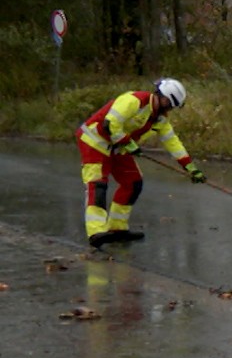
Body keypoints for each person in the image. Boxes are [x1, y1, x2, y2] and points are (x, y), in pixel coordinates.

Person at [76, 78, 205, 248]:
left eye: (172, 107)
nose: (169, 109)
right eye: (169, 104)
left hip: (117, 146)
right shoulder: (135, 101)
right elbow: (110, 124)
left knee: (133, 182)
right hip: (95, 141)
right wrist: (128, 143)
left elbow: (173, 142)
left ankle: (117, 228)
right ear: (161, 96)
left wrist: (190, 167)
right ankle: (96, 232)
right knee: (98, 185)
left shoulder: (160, 119)